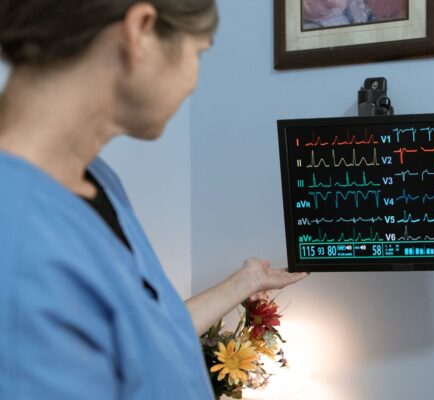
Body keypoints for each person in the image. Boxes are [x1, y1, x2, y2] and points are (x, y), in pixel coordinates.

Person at [0, 1, 307, 399]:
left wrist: (246, 281)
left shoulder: (95, 180)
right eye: (198, 53)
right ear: (140, 30)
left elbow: (146, 337)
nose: (194, 80)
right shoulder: (18, 242)